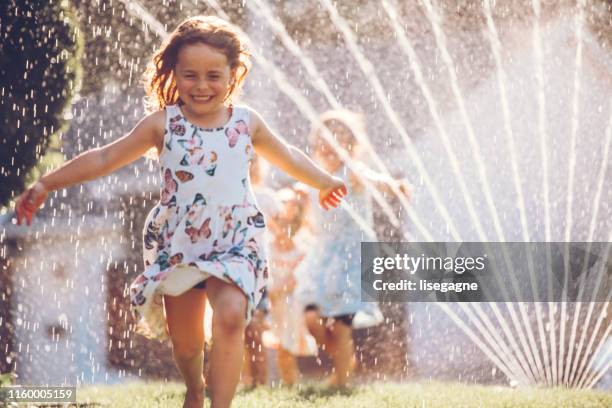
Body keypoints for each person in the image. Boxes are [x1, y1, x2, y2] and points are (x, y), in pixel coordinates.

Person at [14, 16, 347, 408]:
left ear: (233, 75)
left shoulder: (246, 123)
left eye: (213, 75)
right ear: (173, 73)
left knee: (230, 316)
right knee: (187, 343)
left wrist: (324, 181)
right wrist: (46, 183)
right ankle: (194, 388)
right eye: (190, 75)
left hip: (235, 238)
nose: (202, 86)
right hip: (181, 241)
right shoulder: (163, 125)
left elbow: (288, 155)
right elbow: (105, 157)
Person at [296, 109, 409, 388]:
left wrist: (393, 186)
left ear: (351, 145)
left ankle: (342, 381)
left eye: (340, 139)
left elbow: (375, 180)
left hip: (352, 259)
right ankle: (343, 360)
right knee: (311, 319)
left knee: (340, 324)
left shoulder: (352, 172)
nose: (332, 145)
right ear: (316, 144)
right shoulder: (314, 176)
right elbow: (313, 220)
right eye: (326, 139)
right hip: (323, 259)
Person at [266, 186, 317, 386]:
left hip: (293, 305)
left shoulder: (301, 249)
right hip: (275, 304)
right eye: (277, 224)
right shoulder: (268, 249)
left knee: (287, 346)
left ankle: (290, 382)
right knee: (281, 347)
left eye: (287, 225)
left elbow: (301, 280)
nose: (282, 231)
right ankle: (286, 382)